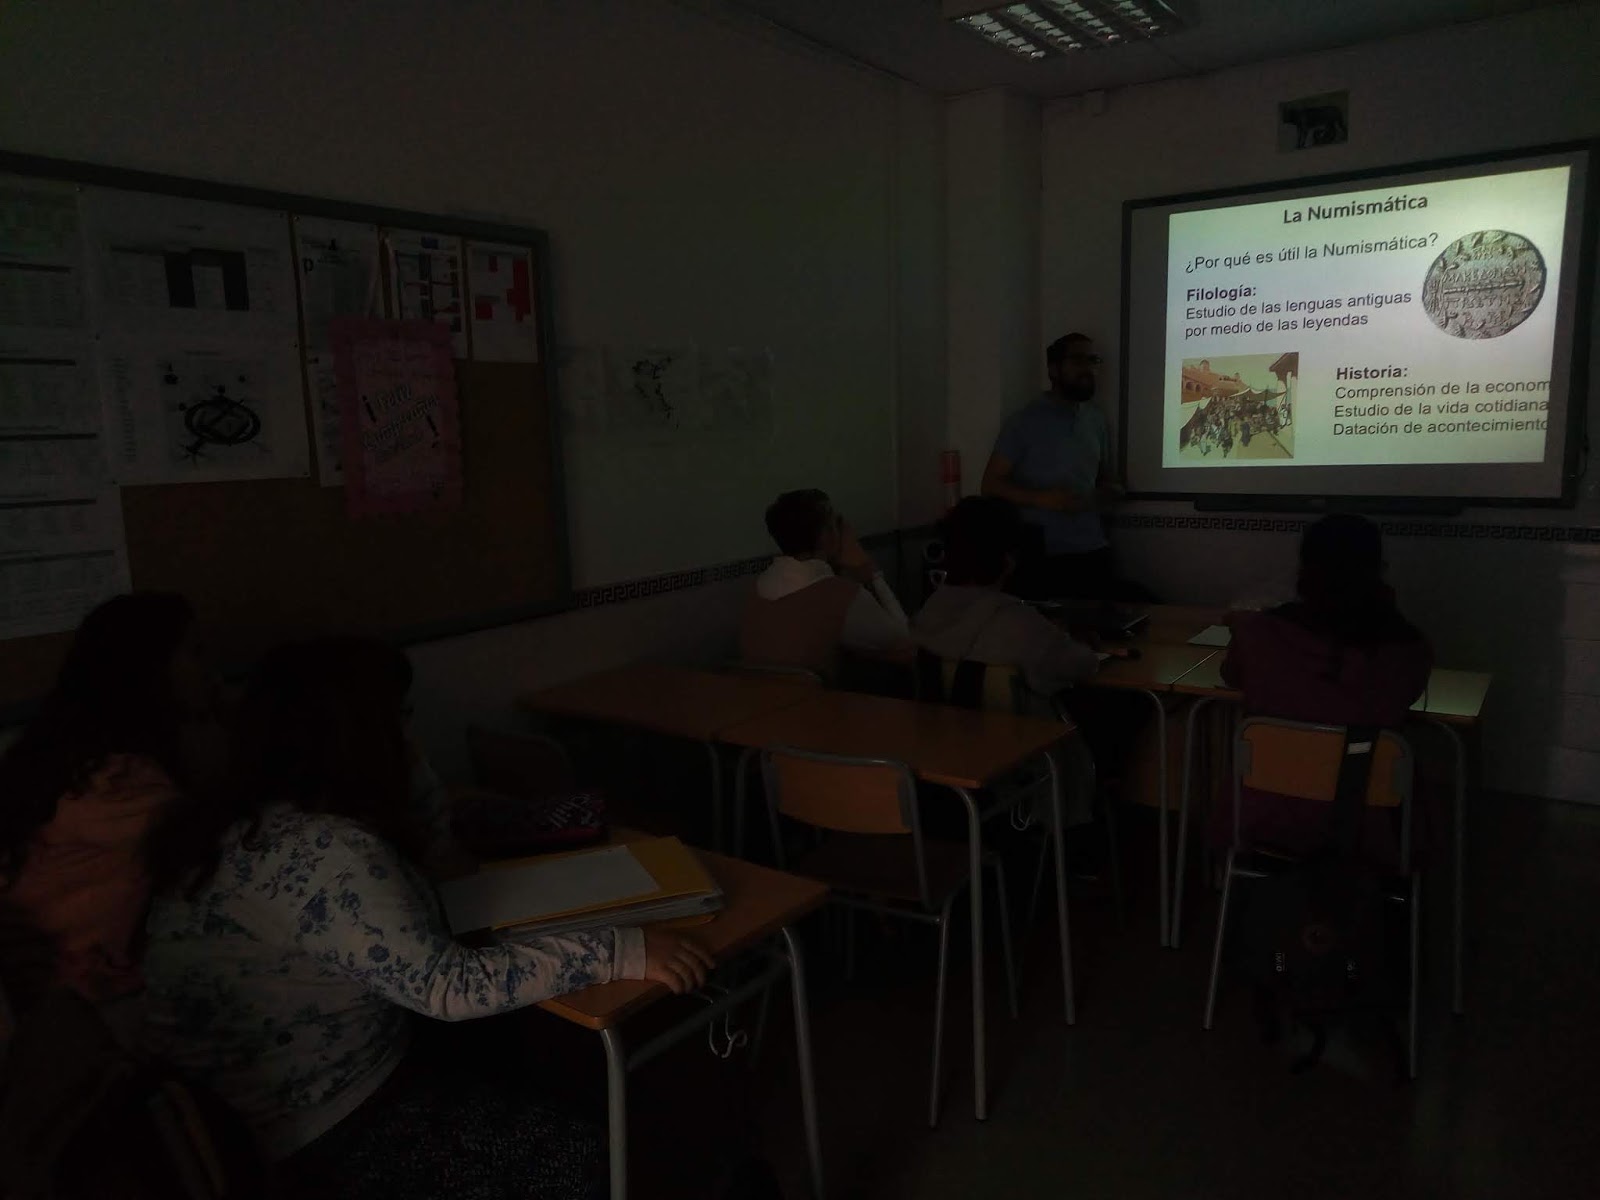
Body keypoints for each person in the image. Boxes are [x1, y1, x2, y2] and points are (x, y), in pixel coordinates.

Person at [141, 638, 712, 1199]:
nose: (412, 738)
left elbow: (439, 857)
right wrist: (623, 950)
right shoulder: (329, 853)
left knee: (516, 1049)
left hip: (249, 1111)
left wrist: (415, 789)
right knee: (585, 1157)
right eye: (402, 720)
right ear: (367, 736)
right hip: (319, 1130)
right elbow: (447, 987)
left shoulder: (237, 819)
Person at [0, 592, 222, 1014]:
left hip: (57, 986)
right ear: (152, 670)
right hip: (70, 994)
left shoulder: (59, 756)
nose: (210, 671)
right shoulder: (116, 783)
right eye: (195, 653)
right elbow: (216, 839)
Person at [1217, 514, 1433, 862]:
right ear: (1378, 570)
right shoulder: (1407, 649)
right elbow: (1404, 698)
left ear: (1304, 569)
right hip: (1369, 823)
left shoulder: (1260, 634)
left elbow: (1232, 675)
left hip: (1264, 812)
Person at [913, 496, 1100, 702]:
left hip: (940, 722)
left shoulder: (928, 611)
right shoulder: (1021, 624)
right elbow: (1085, 665)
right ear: (1008, 559)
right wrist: (1072, 641)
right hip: (1022, 723)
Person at [981, 333, 1121, 601]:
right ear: (1053, 369)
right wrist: (1042, 499)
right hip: (1042, 557)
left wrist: (1109, 492)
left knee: (1098, 624)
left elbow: (1107, 478)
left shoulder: (1095, 419)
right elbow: (990, 485)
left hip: (1092, 550)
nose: (1088, 368)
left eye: (1092, 360)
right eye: (1078, 360)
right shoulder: (1024, 422)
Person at [739, 488, 913, 680]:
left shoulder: (757, 588)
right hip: (811, 698)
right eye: (834, 524)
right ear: (826, 536)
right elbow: (906, 641)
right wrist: (870, 572)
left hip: (757, 697)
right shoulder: (841, 596)